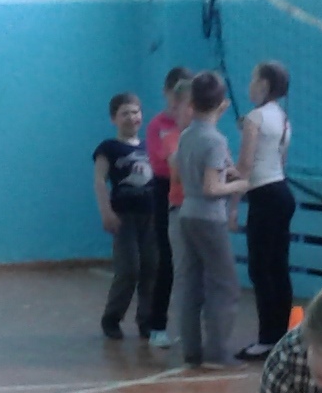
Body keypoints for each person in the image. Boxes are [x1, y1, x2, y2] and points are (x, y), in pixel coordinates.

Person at [170, 71, 251, 367]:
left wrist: (223, 172)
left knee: (192, 283)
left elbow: (183, 175)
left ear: (192, 102)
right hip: (208, 217)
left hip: (187, 213)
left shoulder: (187, 135)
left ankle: (191, 350)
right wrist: (240, 184)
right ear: (223, 104)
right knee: (224, 285)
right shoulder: (215, 140)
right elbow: (211, 188)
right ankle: (217, 353)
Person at [238, 60, 296, 358]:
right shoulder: (283, 118)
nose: (249, 85)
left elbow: (245, 166)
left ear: (264, 84)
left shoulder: (255, 118)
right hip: (282, 193)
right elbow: (279, 162)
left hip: (263, 196)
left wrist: (232, 204)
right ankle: (282, 336)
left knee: (260, 268)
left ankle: (266, 339)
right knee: (278, 267)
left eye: (253, 79)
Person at [93, 92, 159, 341]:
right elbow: (99, 181)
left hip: (151, 216)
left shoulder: (150, 146)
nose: (132, 118)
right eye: (125, 114)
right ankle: (112, 318)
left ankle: (147, 320)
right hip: (124, 217)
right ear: (114, 119)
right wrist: (106, 211)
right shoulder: (108, 148)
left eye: (135, 112)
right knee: (129, 269)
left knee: (152, 268)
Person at [141, 67, 191, 348]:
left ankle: (190, 325)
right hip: (164, 191)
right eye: (175, 95)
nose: (179, 102)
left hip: (191, 193)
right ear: (167, 93)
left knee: (190, 263)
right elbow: (161, 164)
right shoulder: (158, 126)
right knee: (166, 259)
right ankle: (156, 324)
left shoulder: (195, 125)